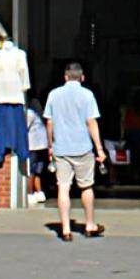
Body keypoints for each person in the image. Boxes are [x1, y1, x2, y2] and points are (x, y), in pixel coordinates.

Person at [43, 62, 106, 242]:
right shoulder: (87, 95)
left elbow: (49, 122)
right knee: (86, 186)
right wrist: (99, 149)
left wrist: (50, 145)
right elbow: (91, 122)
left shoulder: (53, 95)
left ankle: (65, 229)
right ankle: (90, 225)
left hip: (61, 149)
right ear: (82, 77)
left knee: (63, 187)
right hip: (83, 148)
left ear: (65, 77)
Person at [26, 96, 49, 205]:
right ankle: (39, 192)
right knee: (38, 170)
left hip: (33, 145)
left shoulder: (30, 113)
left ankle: (30, 193)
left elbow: (24, 127)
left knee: (31, 170)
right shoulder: (40, 114)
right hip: (42, 144)